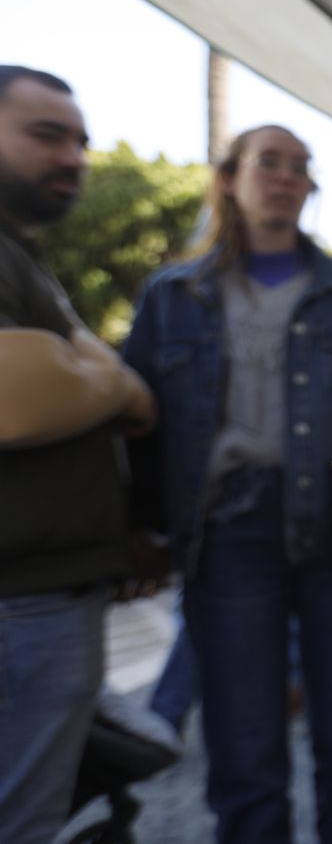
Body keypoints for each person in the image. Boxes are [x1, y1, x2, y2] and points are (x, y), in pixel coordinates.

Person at [122, 124, 332, 844]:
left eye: (301, 166)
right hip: (227, 532)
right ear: (231, 177)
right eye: (269, 162)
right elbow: (141, 426)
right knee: (244, 747)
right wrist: (141, 533)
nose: (286, 176)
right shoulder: (172, 296)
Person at [0, 65, 159, 844]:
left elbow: (93, 382)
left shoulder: (24, 259)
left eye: (81, 141)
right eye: (45, 133)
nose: (73, 157)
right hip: (21, 601)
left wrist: (88, 371)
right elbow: (15, 398)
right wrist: (110, 379)